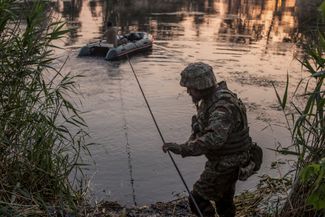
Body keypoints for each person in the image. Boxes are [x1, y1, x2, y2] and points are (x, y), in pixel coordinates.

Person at [162, 62, 256, 217]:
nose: (188, 92)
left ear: (200, 87)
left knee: (197, 199)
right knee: (224, 202)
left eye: (190, 88)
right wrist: (194, 133)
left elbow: (213, 140)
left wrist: (182, 149)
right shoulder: (211, 99)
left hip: (228, 163)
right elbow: (204, 133)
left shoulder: (222, 106)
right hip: (231, 160)